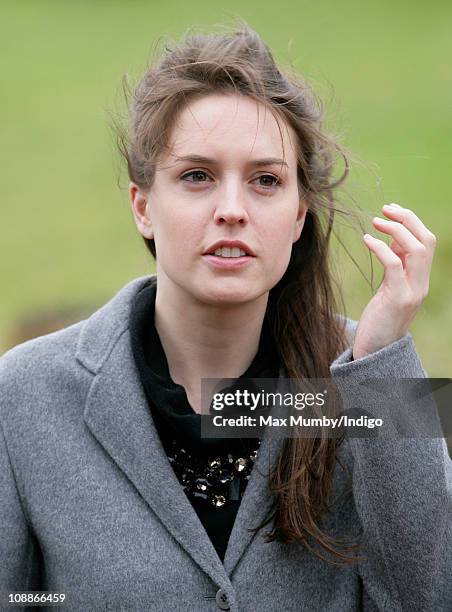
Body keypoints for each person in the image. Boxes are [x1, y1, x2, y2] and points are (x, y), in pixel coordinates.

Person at [0, 22, 450, 612]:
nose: (232, 210)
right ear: (143, 208)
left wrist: (382, 364)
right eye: (197, 177)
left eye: (266, 180)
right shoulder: (24, 392)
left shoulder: (371, 379)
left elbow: (429, 596)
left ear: (298, 216)